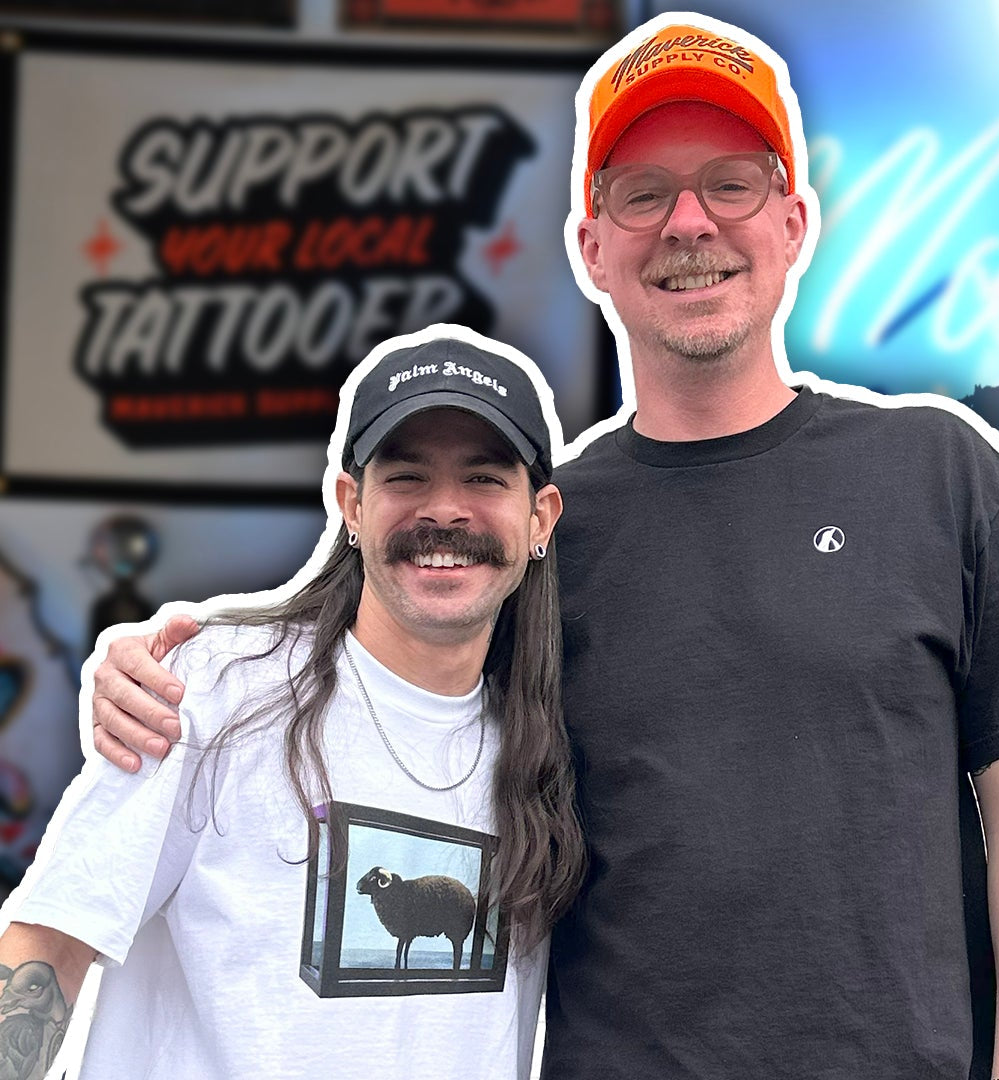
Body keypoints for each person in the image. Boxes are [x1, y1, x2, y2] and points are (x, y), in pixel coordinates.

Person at [87, 15, 999, 1080]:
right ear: (591, 247)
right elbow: (380, 672)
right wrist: (160, 660)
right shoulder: (543, 529)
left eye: (731, 183)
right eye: (641, 192)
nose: (688, 222)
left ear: (793, 222)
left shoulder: (937, 471)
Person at [0, 329, 586, 1079]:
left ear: (540, 518)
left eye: (484, 479)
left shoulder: (544, 751)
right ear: (351, 503)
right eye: (406, 477)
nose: (446, 511)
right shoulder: (213, 691)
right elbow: (51, 944)